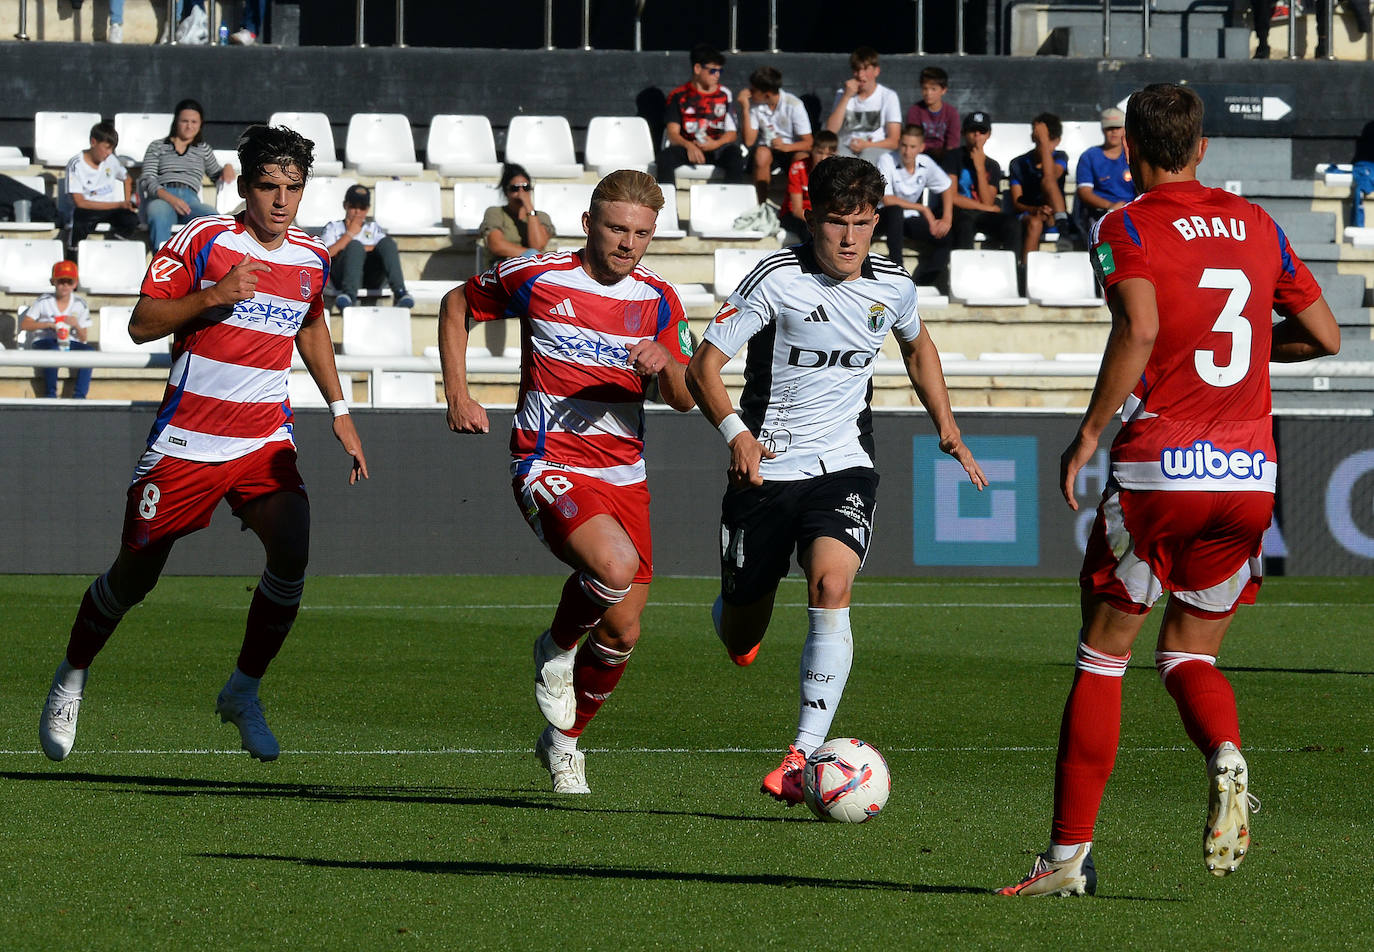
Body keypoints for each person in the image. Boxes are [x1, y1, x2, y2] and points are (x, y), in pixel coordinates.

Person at [998, 83, 1340, 897]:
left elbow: (1141, 327)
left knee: (1103, 656)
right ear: (1203, 148)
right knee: (1190, 650)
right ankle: (1224, 751)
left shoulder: (1126, 222)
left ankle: (1065, 860)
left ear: (1133, 153)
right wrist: (1254, 359)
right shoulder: (1259, 223)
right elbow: (1324, 335)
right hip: (1250, 475)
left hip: (1160, 468)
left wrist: (1087, 435)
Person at [38, 124, 369, 765]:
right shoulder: (202, 240)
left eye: (292, 189)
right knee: (135, 575)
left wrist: (340, 408)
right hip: (187, 442)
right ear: (242, 187)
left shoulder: (310, 257)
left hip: (262, 440)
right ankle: (72, 672)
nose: (280, 201)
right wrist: (215, 295)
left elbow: (310, 324)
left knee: (293, 549)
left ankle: (243, 691)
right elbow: (140, 324)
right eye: (268, 187)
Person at [684, 156, 986, 805]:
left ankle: (800, 755)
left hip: (845, 465)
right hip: (764, 470)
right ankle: (737, 612)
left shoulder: (893, 287)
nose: (850, 238)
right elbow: (703, 366)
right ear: (810, 218)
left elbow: (917, 344)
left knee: (831, 581)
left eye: (862, 223)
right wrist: (737, 434)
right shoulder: (776, 278)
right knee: (742, 628)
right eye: (836, 223)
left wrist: (948, 425)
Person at [438, 170, 696, 795]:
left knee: (623, 630)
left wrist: (668, 366)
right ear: (588, 224)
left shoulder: (660, 299)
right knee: (612, 565)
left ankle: (565, 741)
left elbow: (686, 399)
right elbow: (456, 304)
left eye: (641, 233)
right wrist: (458, 393)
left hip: (624, 476)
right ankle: (554, 649)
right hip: (546, 462)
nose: (627, 244)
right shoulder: (539, 275)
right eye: (615, 228)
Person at [140, 99, 237, 251]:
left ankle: (207, 267)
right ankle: (163, 268)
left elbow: (216, 174)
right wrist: (170, 198)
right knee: (157, 215)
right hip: (163, 196)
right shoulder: (157, 146)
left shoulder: (203, 149)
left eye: (194, 122)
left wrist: (227, 166)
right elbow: (147, 179)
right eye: (184, 121)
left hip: (190, 200)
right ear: (176, 122)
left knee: (214, 220)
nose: (189, 126)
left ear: (200, 124)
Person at [876, 124, 955, 292]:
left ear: (921, 147)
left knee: (946, 237)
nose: (907, 151)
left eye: (912, 147)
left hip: (909, 218)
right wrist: (923, 208)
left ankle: (926, 280)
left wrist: (947, 218)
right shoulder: (886, 160)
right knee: (895, 211)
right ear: (899, 144)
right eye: (904, 145)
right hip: (883, 217)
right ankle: (898, 270)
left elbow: (946, 186)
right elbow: (887, 199)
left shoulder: (925, 163)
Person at [656, 44, 745, 186]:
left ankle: (730, 203)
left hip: (715, 146)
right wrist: (689, 146)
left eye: (720, 71)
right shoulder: (678, 95)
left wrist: (716, 143)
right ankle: (667, 204)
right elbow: (673, 133)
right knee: (665, 158)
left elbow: (732, 133)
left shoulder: (724, 94)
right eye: (713, 71)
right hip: (688, 147)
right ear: (697, 69)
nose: (717, 75)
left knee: (735, 156)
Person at [321, 184, 414, 312]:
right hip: (342, 277)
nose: (357, 211)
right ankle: (348, 295)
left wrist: (347, 248)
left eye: (362, 207)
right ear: (345, 205)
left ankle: (400, 292)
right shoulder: (333, 227)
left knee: (387, 243)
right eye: (353, 206)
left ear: (367, 209)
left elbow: (384, 248)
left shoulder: (373, 228)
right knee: (355, 246)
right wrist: (350, 235)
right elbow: (326, 254)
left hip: (371, 276)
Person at [940, 110, 1020, 252]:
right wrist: (987, 209)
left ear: (988, 135)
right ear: (964, 133)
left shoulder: (993, 166)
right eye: (972, 130)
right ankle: (964, 268)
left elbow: (988, 200)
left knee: (1012, 224)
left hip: (983, 215)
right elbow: (952, 197)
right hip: (960, 213)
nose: (977, 135)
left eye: (981, 131)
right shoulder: (953, 157)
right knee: (964, 224)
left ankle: (1013, 268)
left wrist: (980, 168)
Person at [737, 66, 814, 205]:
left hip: (791, 149)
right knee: (761, 154)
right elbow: (749, 141)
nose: (749, 92)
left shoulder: (794, 105)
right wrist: (745, 108)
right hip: (768, 149)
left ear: (767, 95)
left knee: (801, 159)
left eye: (753, 90)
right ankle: (761, 206)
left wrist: (786, 147)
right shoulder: (754, 105)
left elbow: (809, 142)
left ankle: (798, 206)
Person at [21, 260, 94, 399]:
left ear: (75, 284)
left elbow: (84, 337)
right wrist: (48, 325)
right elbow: (25, 325)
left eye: (69, 281)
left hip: (68, 343)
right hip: (45, 341)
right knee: (52, 352)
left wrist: (76, 325)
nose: (65, 285)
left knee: (89, 353)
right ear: (53, 282)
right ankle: (50, 394)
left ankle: (79, 396)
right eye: (61, 281)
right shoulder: (44, 301)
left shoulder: (80, 304)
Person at [1009, 112, 1074, 261]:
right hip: (1030, 212)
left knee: (1047, 181)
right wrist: (1035, 210)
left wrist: (1043, 142)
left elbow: (1050, 176)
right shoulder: (1018, 163)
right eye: (1039, 139)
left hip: (1054, 211)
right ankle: (1026, 271)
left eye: (1048, 140)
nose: (1043, 145)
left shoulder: (1060, 157)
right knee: (1035, 223)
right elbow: (1017, 202)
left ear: (1057, 141)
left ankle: (1062, 227)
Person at [64, 122, 141, 246]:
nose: (109, 152)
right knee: (80, 220)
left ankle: (113, 247)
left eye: (112, 149)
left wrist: (127, 202)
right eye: (106, 147)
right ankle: (74, 255)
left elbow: (127, 180)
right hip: (87, 209)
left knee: (131, 220)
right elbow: (80, 202)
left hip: (111, 209)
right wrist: (119, 204)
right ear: (93, 142)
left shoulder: (111, 160)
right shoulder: (75, 164)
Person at [824, 46, 902, 165]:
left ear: (876, 71)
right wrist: (846, 97)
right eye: (856, 70)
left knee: (867, 161)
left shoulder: (888, 96)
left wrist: (867, 145)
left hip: (875, 147)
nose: (860, 75)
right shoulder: (842, 94)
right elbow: (830, 131)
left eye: (865, 69)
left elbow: (894, 141)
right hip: (845, 148)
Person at [1072, 107, 1133, 239]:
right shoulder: (1089, 156)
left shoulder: (1134, 155)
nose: (1114, 132)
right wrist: (1110, 206)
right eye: (1109, 128)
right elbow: (1084, 192)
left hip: (1132, 213)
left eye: (1117, 127)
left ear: (1124, 129)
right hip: (1099, 214)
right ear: (1103, 130)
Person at [480, 163, 554, 266]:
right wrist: (529, 255)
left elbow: (537, 245)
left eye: (525, 187)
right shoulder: (495, 213)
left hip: (532, 268)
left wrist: (529, 208)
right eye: (515, 188)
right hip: (503, 267)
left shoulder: (541, 217)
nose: (521, 193)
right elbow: (496, 245)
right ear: (506, 192)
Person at [782, 130, 838, 241]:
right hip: (795, 216)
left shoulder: (837, 172)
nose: (823, 158)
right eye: (819, 152)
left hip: (822, 216)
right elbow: (797, 210)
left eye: (828, 154)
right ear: (811, 150)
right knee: (809, 230)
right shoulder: (798, 168)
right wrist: (821, 223)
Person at [904, 66, 960, 161]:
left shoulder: (951, 113)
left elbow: (952, 144)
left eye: (933, 89)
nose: (928, 93)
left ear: (943, 90)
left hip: (944, 157)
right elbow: (913, 140)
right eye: (925, 88)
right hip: (920, 156)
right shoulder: (915, 111)